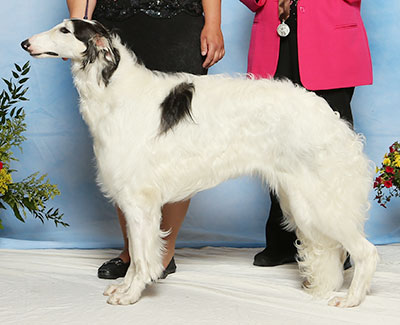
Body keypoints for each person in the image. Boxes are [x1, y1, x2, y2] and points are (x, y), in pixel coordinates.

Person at [66, 0, 225, 279]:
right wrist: (79, 23)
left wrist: (213, 23)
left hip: (179, 23)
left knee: (179, 143)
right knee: (122, 145)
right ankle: (133, 253)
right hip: (117, 26)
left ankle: (164, 253)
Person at [240, 0, 372, 266]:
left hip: (330, 39)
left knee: (332, 151)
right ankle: (283, 240)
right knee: (276, 147)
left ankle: (340, 242)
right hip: (274, 37)